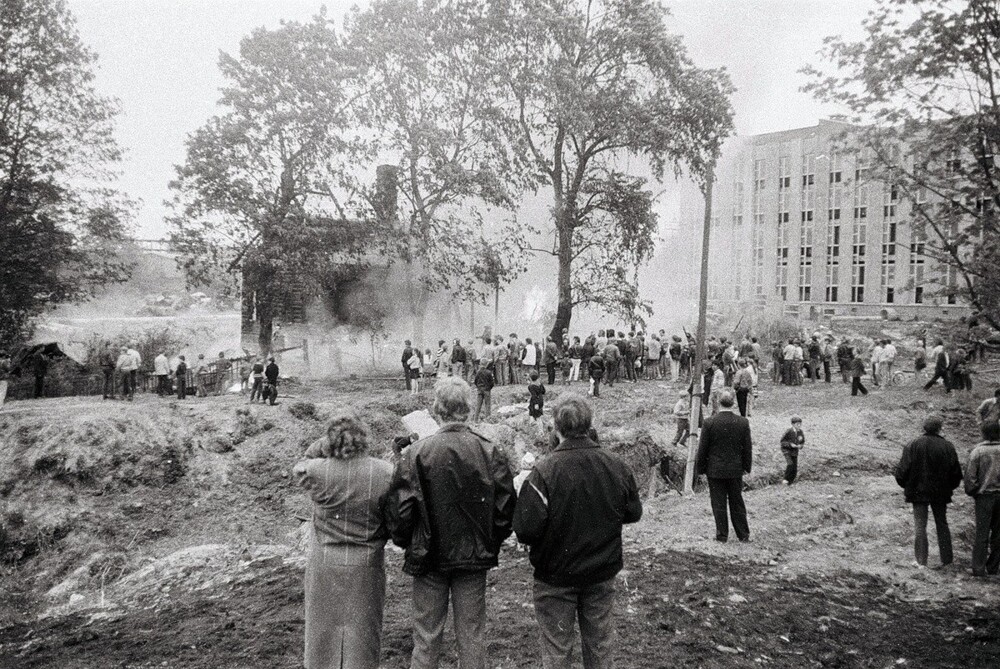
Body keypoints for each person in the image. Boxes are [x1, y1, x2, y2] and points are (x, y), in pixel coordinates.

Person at [387, 377, 516, 669]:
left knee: (426, 639)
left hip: (429, 558)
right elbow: (505, 509)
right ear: (468, 409)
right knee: (472, 637)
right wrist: (488, 542)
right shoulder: (489, 450)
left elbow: (401, 512)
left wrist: (410, 543)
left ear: (437, 409)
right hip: (473, 558)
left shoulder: (415, 453)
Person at [513, 394, 642, 669]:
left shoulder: (543, 471)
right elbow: (633, 512)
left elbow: (525, 530)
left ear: (556, 427)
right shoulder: (616, 465)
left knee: (557, 652)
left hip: (555, 576)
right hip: (601, 572)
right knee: (600, 648)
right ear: (588, 424)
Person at [293, 414, 394, 669]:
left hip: (325, 563)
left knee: (322, 637)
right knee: (363, 636)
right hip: (367, 565)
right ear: (364, 439)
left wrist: (325, 444)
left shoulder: (317, 472)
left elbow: (302, 462)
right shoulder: (384, 472)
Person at [894, 415, 963, 569]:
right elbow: (956, 473)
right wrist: (949, 487)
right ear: (940, 428)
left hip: (917, 492)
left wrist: (908, 486)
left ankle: (921, 562)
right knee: (942, 523)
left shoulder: (912, 444)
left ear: (923, 427)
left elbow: (901, 472)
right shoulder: (948, 446)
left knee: (920, 526)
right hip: (940, 492)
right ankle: (946, 560)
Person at [695, 390, 752, 543]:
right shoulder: (742, 422)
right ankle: (743, 534)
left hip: (715, 470)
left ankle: (722, 535)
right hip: (735, 469)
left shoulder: (709, 422)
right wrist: (747, 467)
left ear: (719, 402)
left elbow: (703, 448)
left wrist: (700, 469)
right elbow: (747, 447)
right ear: (733, 402)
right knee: (737, 502)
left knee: (718, 503)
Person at [965, 420, 1000, 577]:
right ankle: (993, 567)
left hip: (984, 497)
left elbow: (970, 478)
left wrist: (973, 492)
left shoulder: (978, 452)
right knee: (999, 533)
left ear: (983, 433)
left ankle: (978, 568)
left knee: (982, 533)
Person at [780, 416, 806, 485]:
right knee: (790, 464)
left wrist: (800, 446)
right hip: (787, 451)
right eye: (797, 424)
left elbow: (802, 441)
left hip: (795, 451)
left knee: (794, 468)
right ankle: (785, 479)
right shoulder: (789, 431)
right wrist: (790, 444)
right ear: (793, 424)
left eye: (800, 424)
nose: (799, 425)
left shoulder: (800, 432)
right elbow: (782, 442)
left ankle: (791, 481)